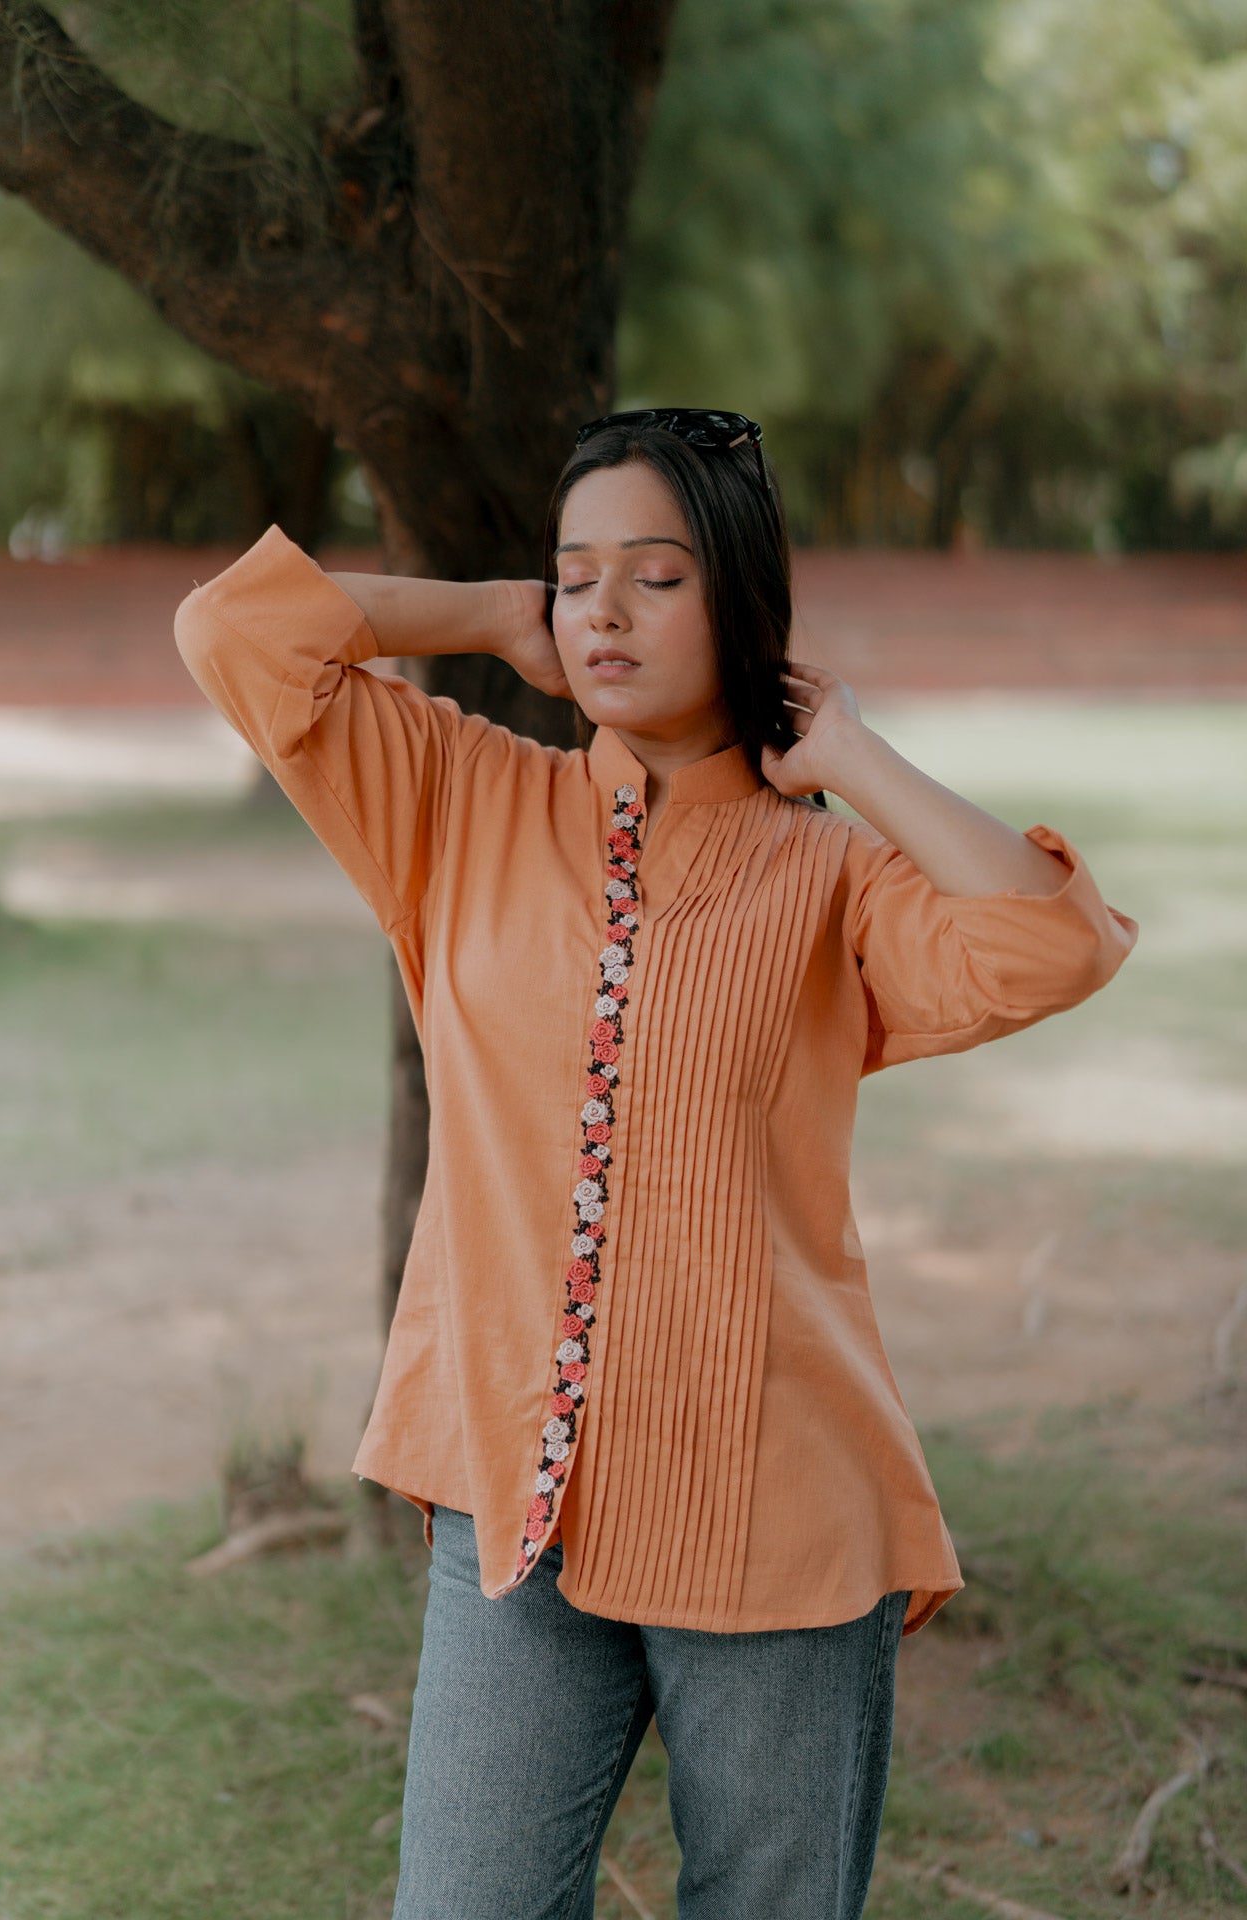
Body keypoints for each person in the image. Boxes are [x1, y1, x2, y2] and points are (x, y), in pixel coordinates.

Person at [174, 408, 1139, 1918]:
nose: (604, 610)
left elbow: (1055, 941)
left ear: (743, 601)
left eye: (657, 576)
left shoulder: (834, 881)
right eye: (577, 575)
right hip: (514, 1507)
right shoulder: (459, 802)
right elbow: (236, 631)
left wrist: (853, 754)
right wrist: (496, 613)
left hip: (775, 1514)